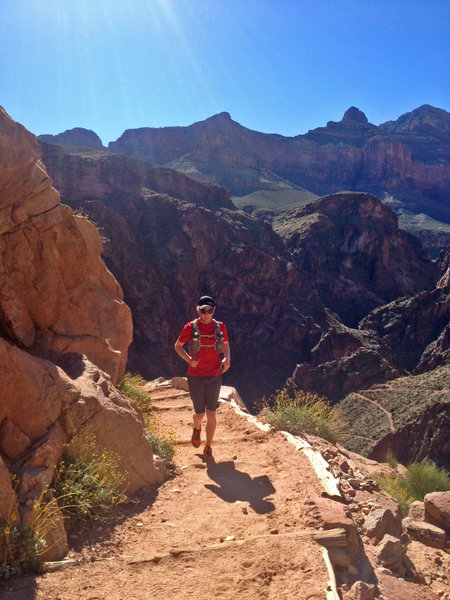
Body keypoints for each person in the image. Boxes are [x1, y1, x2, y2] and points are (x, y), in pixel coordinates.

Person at [174, 295, 230, 462]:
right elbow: (178, 346)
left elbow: (226, 345)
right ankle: (196, 426)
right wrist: (189, 360)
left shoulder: (220, 327)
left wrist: (227, 358)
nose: (206, 314)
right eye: (203, 311)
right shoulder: (190, 327)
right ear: (197, 310)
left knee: (211, 413)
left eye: (210, 311)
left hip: (214, 375)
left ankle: (208, 448)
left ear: (214, 311)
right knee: (200, 414)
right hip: (196, 377)